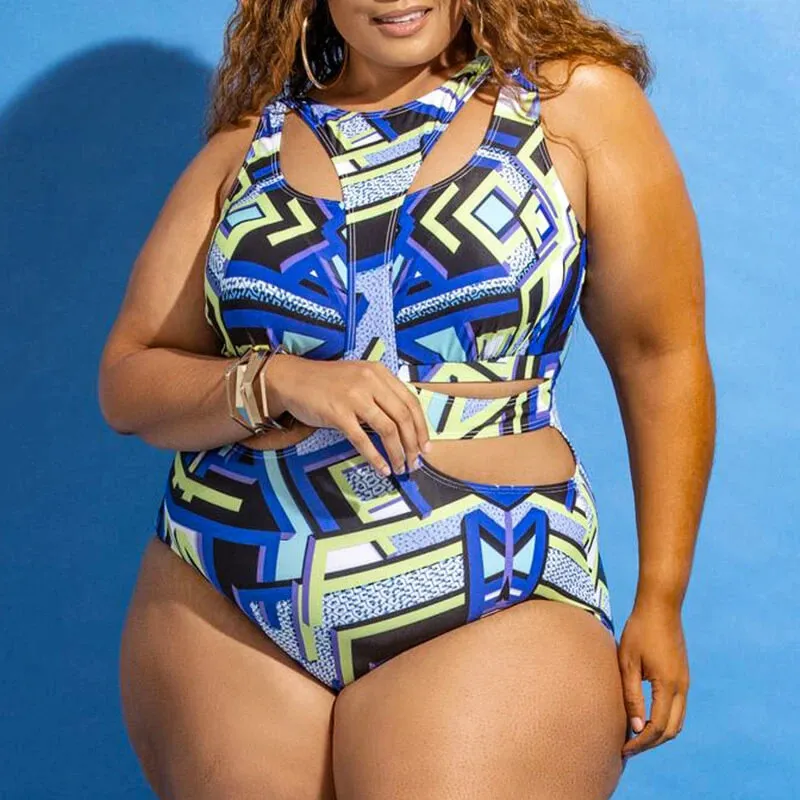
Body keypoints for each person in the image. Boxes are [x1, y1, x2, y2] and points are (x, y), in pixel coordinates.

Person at [98, 0, 715, 797]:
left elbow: (660, 356)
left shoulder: (570, 107)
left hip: (493, 583)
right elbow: (129, 378)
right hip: (224, 585)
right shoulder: (246, 148)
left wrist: (662, 595)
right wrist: (277, 378)